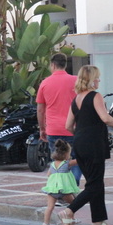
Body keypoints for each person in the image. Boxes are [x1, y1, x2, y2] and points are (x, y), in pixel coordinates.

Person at [57, 65, 113, 225]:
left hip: (79, 143)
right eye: (97, 77)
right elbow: (105, 118)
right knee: (95, 184)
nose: (99, 80)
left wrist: (81, 135)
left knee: (95, 182)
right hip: (94, 144)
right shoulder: (95, 95)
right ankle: (69, 211)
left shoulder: (76, 99)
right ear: (91, 79)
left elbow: (68, 125)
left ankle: (98, 221)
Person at [36, 52, 82, 185]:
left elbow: (40, 109)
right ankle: (73, 188)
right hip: (74, 128)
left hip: (54, 129)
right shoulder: (75, 81)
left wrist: (42, 129)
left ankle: (59, 190)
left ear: (52, 65)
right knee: (76, 160)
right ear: (65, 65)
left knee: (58, 162)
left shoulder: (45, 83)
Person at [41, 139, 80, 225]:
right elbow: (79, 161)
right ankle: (71, 219)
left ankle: (46, 223)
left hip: (52, 190)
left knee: (50, 207)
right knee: (73, 204)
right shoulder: (67, 164)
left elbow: (48, 174)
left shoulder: (52, 164)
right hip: (64, 190)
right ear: (66, 154)